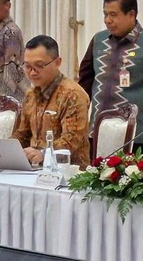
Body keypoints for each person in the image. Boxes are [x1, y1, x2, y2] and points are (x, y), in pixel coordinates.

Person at [79, 0, 143, 155]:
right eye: (105, 14)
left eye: (113, 15)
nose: (107, 20)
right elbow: (84, 83)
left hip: (138, 136)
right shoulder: (98, 41)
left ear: (131, 14)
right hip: (98, 132)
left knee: (133, 180)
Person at [12, 35, 90, 167]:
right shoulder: (31, 94)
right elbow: (23, 134)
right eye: (27, 66)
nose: (32, 72)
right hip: (34, 167)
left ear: (57, 62)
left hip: (69, 171)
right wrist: (3, 150)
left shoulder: (73, 94)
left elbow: (72, 139)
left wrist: (43, 153)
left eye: (39, 65)